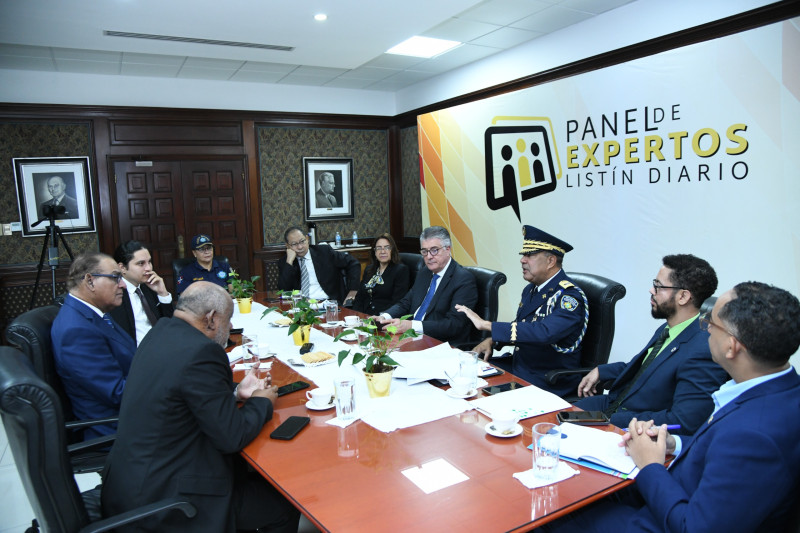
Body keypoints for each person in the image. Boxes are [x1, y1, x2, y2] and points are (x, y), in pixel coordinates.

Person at [546, 282, 800, 533]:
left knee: (552, 508)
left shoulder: (754, 435)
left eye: (710, 323)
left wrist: (651, 466)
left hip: (662, 517)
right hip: (671, 492)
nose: (706, 329)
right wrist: (674, 443)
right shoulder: (780, 389)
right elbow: (723, 452)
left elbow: (695, 527)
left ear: (731, 346)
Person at [101, 282, 299, 532]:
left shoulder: (161, 332)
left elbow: (179, 389)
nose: (229, 328)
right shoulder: (202, 351)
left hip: (130, 486)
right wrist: (262, 401)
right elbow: (232, 436)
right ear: (211, 319)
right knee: (283, 503)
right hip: (168, 502)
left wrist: (237, 392)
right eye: (228, 321)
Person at [574, 254, 728, 435]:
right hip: (615, 403)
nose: (651, 290)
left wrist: (610, 421)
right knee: (553, 418)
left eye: (658, 286)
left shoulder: (703, 350)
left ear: (683, 296)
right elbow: (645, 370)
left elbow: (684, 421)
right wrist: (603, 370)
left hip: (635, 424)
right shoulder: (670, 328)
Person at [456, 225, 588, 397]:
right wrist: (493, 340)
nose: (522, 260)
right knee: (462, 377)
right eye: (523, 255)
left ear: (551, 261)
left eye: (530, 255)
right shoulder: (532, 289)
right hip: (521, 367)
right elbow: (522, 326)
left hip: (547, 378)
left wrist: (488, 325)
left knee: (478, 395)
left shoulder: (569, 297)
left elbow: (544, 332)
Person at [50, 252, 136, 439]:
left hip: (131, 412)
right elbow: (117, 393)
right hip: (116, 427)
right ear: (89, 281)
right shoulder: (75, 330)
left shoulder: (94, 313)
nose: (122, 284)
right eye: (116, 277)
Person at [378, 226, 477, 344]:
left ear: (448, 249)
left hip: (440, 344)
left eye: (434, 250)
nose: (429, 256)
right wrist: (385, 317)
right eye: (424, 251)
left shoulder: (463, 279)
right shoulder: (425, 272)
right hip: (412, 338)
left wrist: (412, 326)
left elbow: (454, 324)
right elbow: (406, 302)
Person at [109, 240, 174, 345]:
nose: (148, 268)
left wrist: (163, 294)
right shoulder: (114, 294)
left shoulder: (150, 286)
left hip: (161, 349)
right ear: (122, 268)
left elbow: (170, 325)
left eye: (149, 262)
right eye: (141, 263)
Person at [277, 225, 360, 303]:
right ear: (287, 246)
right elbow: (284, 290)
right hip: (302, 305)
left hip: (329, 303)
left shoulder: (324, 252)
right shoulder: (285, 262)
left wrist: (353, 291)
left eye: (302, 241)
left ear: (307, 238)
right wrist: (289, 263)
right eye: (294, 244)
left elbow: (353, 263)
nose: (300, 247)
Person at [351, 233, 410, 315]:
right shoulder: (369, 270)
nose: (382, 251)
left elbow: (397, 303)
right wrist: (356, 315)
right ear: (375, 252)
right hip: (364, 317)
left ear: (392, 250)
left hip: (384, 318)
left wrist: (380, 317)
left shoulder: (401, 270)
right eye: (379, 248)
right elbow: (359, 297)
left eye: (387, 248)